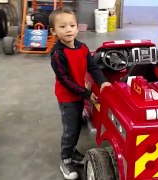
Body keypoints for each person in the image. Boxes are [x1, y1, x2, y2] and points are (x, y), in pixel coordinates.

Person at [49, 8, 111, 180]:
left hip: (79, 94)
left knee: (77, 124)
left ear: (78, 28)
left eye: (72, 25)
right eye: (62, 26)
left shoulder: (82, 48)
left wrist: (103, 81)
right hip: (67, 97)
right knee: (70, 129)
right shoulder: (57, 54)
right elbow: (65, 80)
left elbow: (93, 67)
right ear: (54, 31)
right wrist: (86, 93)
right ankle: (65, 159)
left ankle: (72, 151)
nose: (68, 29)